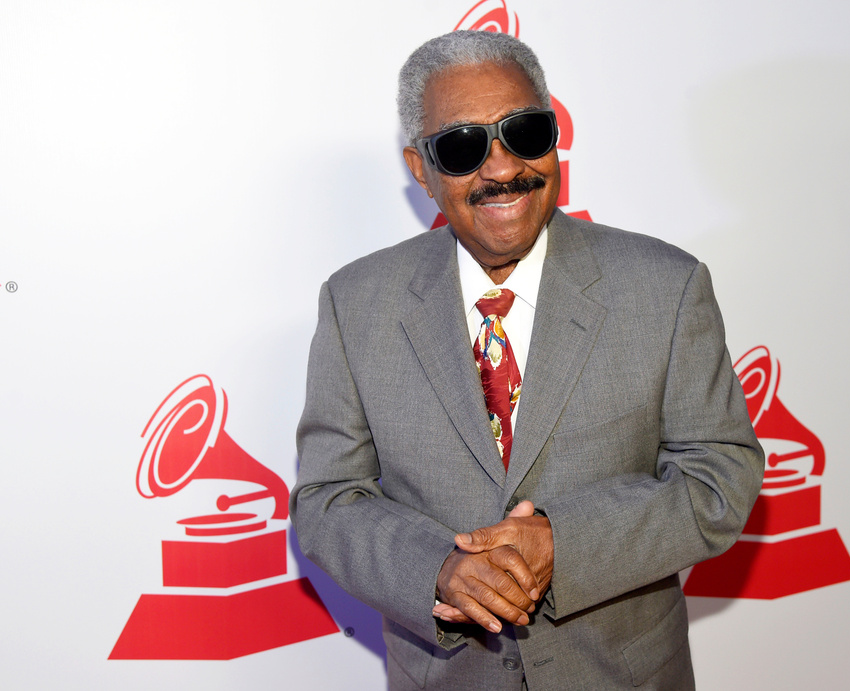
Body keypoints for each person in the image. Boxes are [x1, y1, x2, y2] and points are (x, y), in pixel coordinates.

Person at [291, 30, 764, 691]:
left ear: (555, 136)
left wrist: (562, 543)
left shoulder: (664, 286)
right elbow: (326, 500)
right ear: (420, 168)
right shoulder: (357, 303)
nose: (503, 167)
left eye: (525, 132)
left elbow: (720, 476)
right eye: (461, 147)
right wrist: (437, 568)